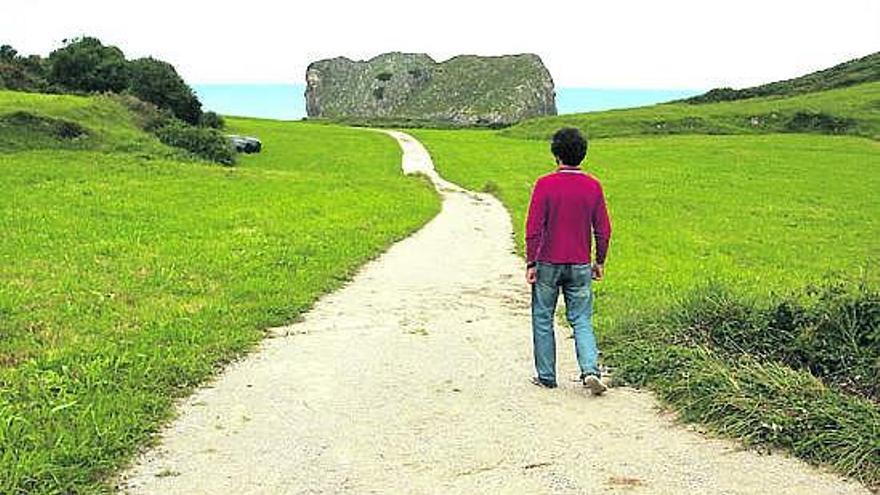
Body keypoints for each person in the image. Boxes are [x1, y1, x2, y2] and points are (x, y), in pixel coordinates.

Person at [525, 127, 611, 395]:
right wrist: (599, 261)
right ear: (582, 154)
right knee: (582, 319)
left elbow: (533, 228)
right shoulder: (593, 186)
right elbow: (603, 229)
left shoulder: (544, 184)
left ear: (556, 154)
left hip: (548, 262)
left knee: (543, 317)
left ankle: (547, 376)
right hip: (580, 263)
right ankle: (589, 370)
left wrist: (531, 262)